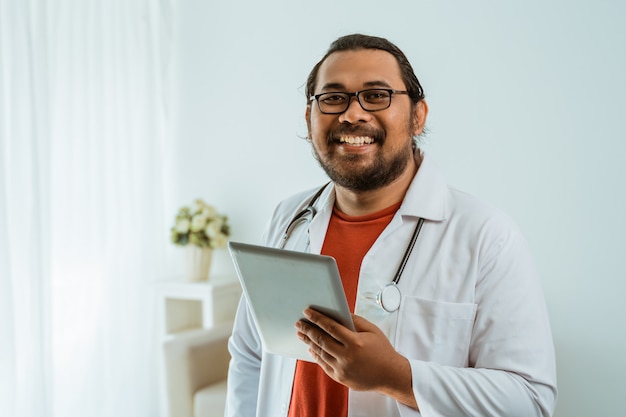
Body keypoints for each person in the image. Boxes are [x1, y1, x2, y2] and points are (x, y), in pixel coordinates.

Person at [225, 33, 557, 417]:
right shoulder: (289, 218)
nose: (353, 114)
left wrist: (398, 376)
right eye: (333, 98)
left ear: (418, 115)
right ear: (308, 117)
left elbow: (530, 402)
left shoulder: (486, 237)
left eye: (377, 95)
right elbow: (250, 354)